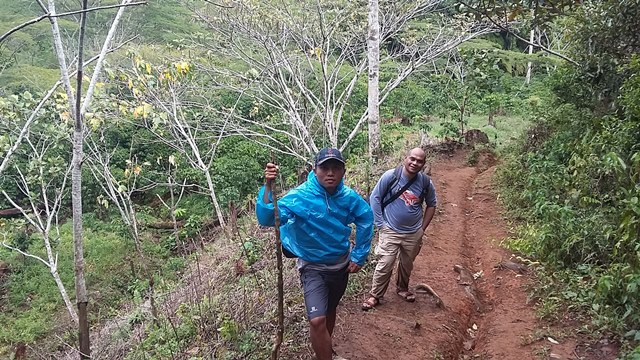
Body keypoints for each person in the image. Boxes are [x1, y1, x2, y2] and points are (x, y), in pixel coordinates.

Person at [256, 147, 374, 360]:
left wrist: (359, 255)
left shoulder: (348, 197)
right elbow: (267, 218)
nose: (330, 173)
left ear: (343, 171)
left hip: (341, 265)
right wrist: (267, 185)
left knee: (329, 310)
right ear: (314, 169)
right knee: (316, 319)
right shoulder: (300, 197)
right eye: (324, 168)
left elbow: (366, 218)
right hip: (312, 267)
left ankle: (326, 351)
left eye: (335, 168)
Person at [362, 147, 437, 310]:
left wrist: (422, 229)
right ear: (406, 158)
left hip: (413, 232)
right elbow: (375, 198)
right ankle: (375, 295)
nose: (415, 163)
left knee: (407, 263)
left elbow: (432, 204)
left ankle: (402, 288)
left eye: (419, 161)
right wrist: (380, 224)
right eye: (412, 159)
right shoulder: (391, 176)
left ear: (423, 164)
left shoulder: (425, 182)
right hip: (390, 230)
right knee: (385, 263)